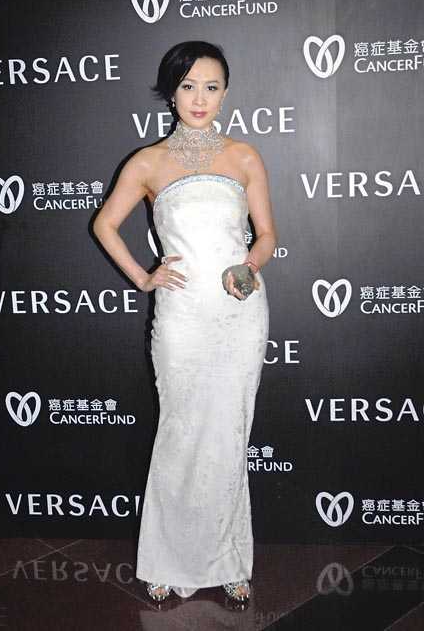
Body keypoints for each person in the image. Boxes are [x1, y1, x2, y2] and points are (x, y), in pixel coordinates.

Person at [93, 40, 278, 604]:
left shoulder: (244, 156)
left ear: (226, 93)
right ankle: (167, 560)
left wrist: (248, 268)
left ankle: (229, 559)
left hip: (239, 312)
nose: (200, 98)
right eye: (188, 86)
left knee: (229, 432)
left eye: (211, 87)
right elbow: (105, 225)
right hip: (181, 316)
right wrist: (143, 276)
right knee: (179, 430)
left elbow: (267, 236)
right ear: (171, 93)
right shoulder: (148, 162)